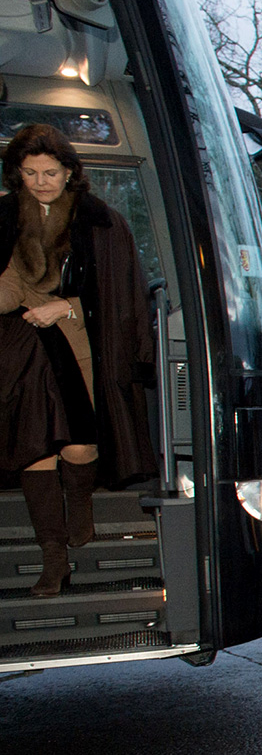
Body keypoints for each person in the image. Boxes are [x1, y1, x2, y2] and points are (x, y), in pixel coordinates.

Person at [0, 124, 155, 597]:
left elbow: (120, 293)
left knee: (79, 446)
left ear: (70, 171)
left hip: (80, 341)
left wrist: (66, 306)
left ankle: (81, 501)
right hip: (21, 349)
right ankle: (53, 559)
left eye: (50, 171)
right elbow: (8, 284)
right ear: (17, 174)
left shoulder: (99, 221)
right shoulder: (5, 218)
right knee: (35, 451)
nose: (41, 181)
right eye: (30, 172)